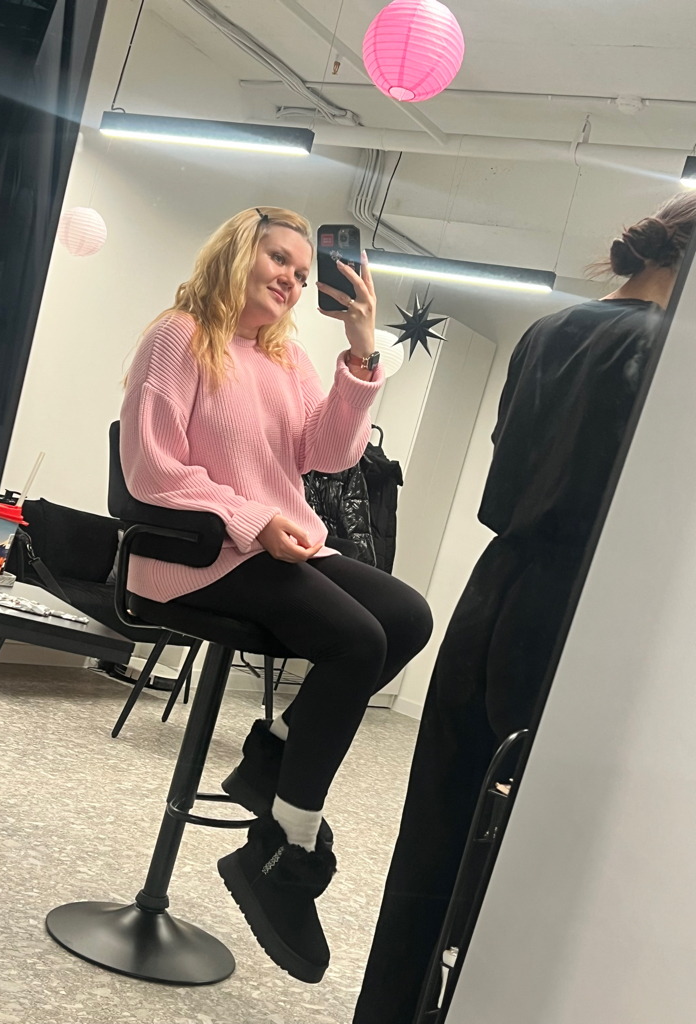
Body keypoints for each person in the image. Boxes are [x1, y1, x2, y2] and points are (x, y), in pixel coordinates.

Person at [353, 190, 696, 1024]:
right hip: (579, 615)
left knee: (435, 835)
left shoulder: (548, 331)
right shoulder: (665, 355)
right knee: (529, 856)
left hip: (493, 590)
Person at [119, 207, 433, 984]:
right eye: (279, 260)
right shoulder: (179, 336)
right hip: (195, 553)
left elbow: (328, 454)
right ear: (238, 253)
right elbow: (151, 470)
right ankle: (287, 845)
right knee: (356, 642)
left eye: (302, 270)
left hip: (270, 544)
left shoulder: (285, 357)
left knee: (406, 617)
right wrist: (251, 519)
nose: (292, 279)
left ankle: (273, 759)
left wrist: (360, 352)